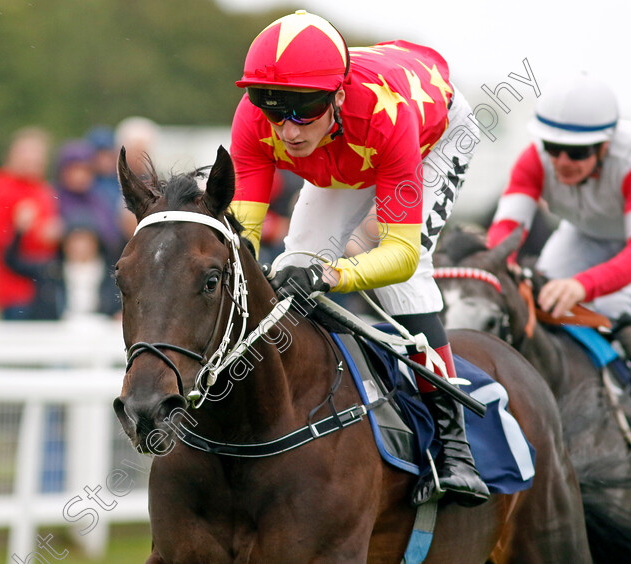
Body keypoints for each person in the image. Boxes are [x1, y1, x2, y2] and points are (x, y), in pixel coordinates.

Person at [229, 10, 487, 507]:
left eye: (304, 109)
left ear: (337, 96)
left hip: (429, 137)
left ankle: (455, 445)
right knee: (289, 266)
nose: (286, 130)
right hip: (346, 147)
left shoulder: (387, 119)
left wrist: (332, 275)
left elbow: (401, 255)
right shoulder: (255, 123)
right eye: (271, 107)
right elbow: (246, 236)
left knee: (403, 284)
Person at [487, 73, 631, 355]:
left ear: (605, 146)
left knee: (612, 307)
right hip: (582, 234)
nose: (562, 162)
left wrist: (583, 285)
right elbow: (506, 227)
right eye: (553, 147)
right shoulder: (533, 161)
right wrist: (505, 262)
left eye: (577, 152)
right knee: (545, 297)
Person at [0, 127, 62, 320]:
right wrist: (29, 231)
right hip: (14, 289)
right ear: (11, 156)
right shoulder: (0, 186)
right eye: (27, 153)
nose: (33, 160)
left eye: (38, 155)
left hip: (43, 286)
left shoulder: (43, 190)